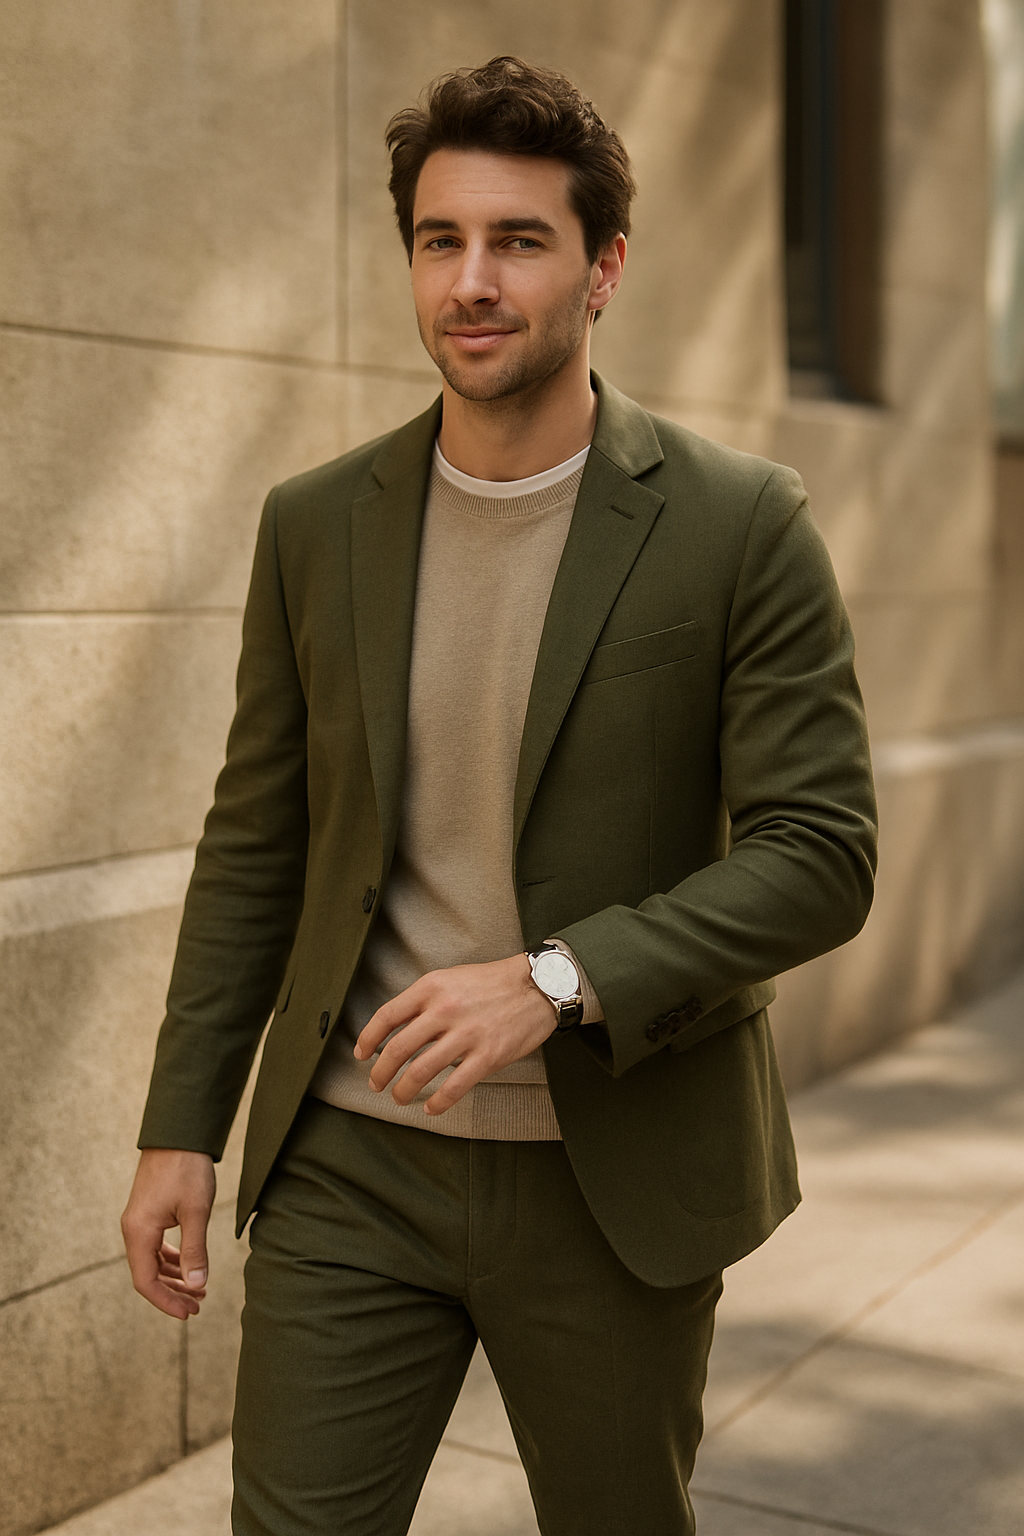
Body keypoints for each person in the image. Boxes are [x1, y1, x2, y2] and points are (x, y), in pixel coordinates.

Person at [121, 55, 877, 1536]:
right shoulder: (315, 524)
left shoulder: (739, 522)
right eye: (440, 240)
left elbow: (821, 851)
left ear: (604, 269)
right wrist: (179, 1127)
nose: (471, 282)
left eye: (519, 242)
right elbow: (259, 842)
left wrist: (555, 978)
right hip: (349, 1161)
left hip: (612, 1176)